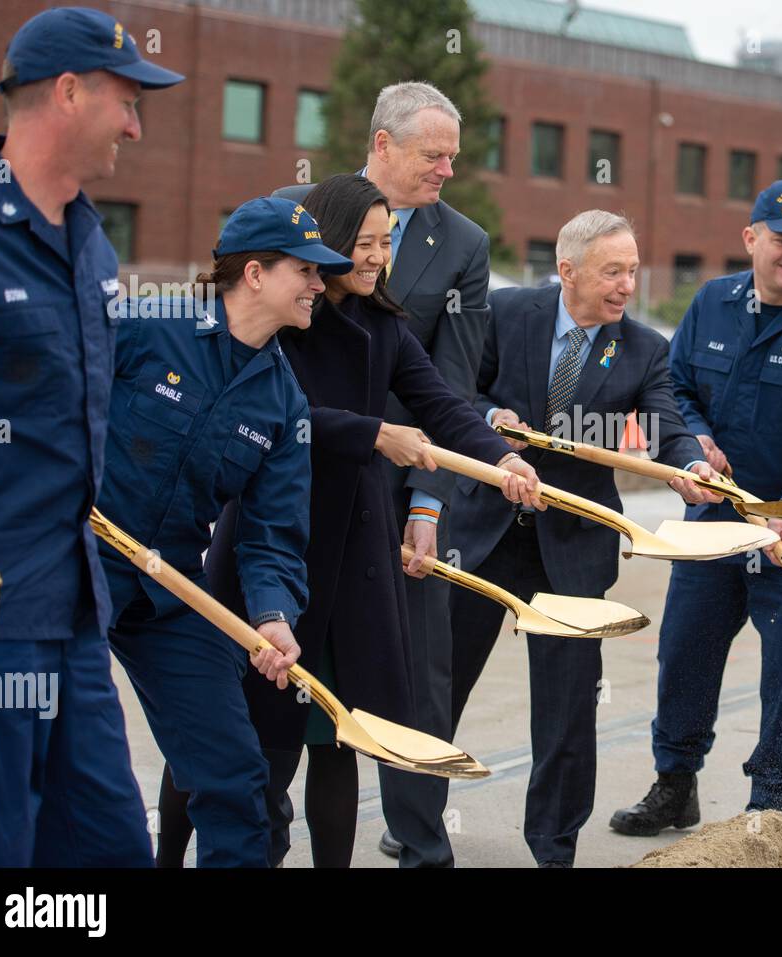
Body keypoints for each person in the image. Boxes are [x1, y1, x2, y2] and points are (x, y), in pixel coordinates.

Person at [202, 174, 541, 868]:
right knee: (253, 738)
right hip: (274, 544)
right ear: (323, 242)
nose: (377, 257)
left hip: (354, 553)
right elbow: (275, 412)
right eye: (363, 243)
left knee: (337, 733)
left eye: (387, 242)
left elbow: (443, 404)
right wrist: (373, 433)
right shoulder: (286, 314)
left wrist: (503, 460)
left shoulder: (384, 324)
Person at [0, 6, 182, 867]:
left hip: (74, 610)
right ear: (68, 90)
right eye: (127, 100)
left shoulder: (93, 245)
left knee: (108, 843)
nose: (134, 123)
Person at [450, 210, 722, 867]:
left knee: (568, 708)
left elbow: (666, 425)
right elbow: (456, 389)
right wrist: (491, 420)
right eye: (612, 270)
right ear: (567, 270)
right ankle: (416, 818)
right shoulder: (506, 312)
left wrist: (688, 465)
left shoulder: (643, 349)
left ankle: (553, 844)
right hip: (481, 533)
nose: (627, 284)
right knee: (440, 683)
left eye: (632, 270)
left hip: (571, 547)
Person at [610, 180, 782, 836]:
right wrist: (691, 434)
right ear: (751, 238)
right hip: (715, 524)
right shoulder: (712, 303)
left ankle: (775, 808)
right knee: (684, 650)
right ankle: (675, 783)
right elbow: (675, 385)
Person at [99, 196, 350, 867]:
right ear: (255, 273)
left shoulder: (283, 400)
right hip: (78, 562)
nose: (320, 286)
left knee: (240, 780)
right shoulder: (145, 326)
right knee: (71, 759)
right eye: (306, 270)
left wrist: (272, 616)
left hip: (171, 587)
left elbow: (272, 534)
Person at [278, 81, 492, 868]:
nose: (446, 170)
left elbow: (450, 383)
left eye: (453, 158)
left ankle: (421, 841)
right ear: (382, 145)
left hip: (401, 491)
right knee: (275, 702)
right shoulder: (293, 210)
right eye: (433, 155)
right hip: (294, 495)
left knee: (409, 680)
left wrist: (442, 497)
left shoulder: (463, 244)